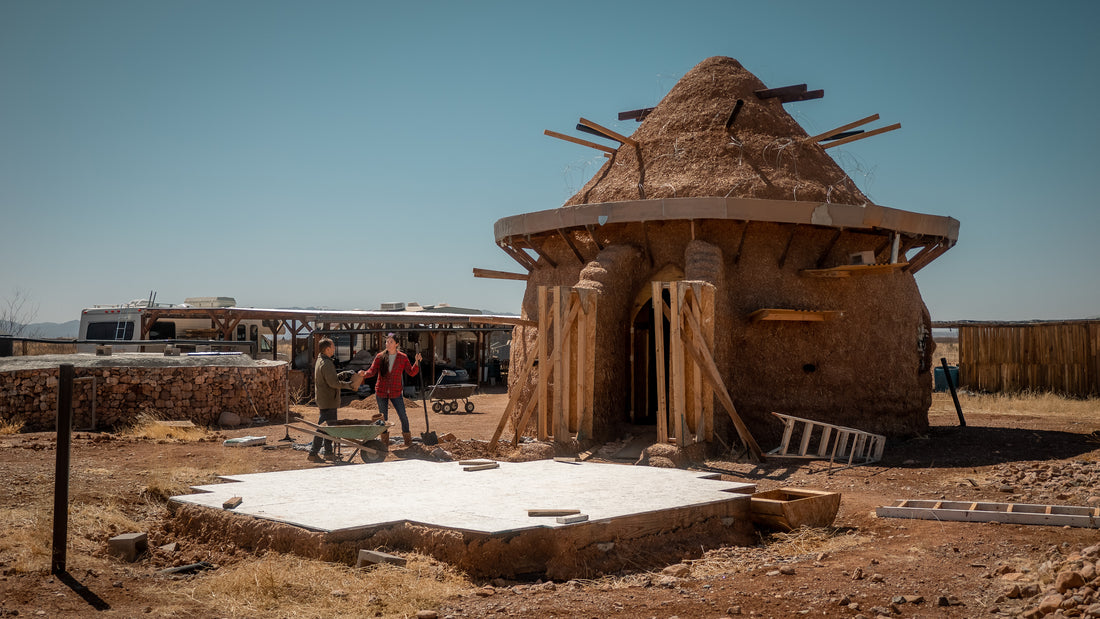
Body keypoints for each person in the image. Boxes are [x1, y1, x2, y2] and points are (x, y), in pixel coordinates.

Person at [359, 333, 422, 446]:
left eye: (391, 342)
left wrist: (417, 362)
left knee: (403, 415)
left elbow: (412, 372)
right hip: (381, 391)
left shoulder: (402, 357)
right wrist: (364, 373)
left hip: (396, 392)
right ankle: (384, 443)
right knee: (383, 418)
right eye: (387, 342)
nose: (388, 344)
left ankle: (407, 441)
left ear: (397, 344)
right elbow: (372, 371)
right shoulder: (380, 356)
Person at [309, 337, 360, 463]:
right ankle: (313, 453)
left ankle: (328, 453)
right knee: (322, 428)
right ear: (327, 349)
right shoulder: (326, 363)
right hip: (328, 400)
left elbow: (330, 379)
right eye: (332, 347)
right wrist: (349, 385)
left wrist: (343, 374)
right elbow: (333, 383)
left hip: (326, 399)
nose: (334, 348)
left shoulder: (322, 360)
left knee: (328, 428)